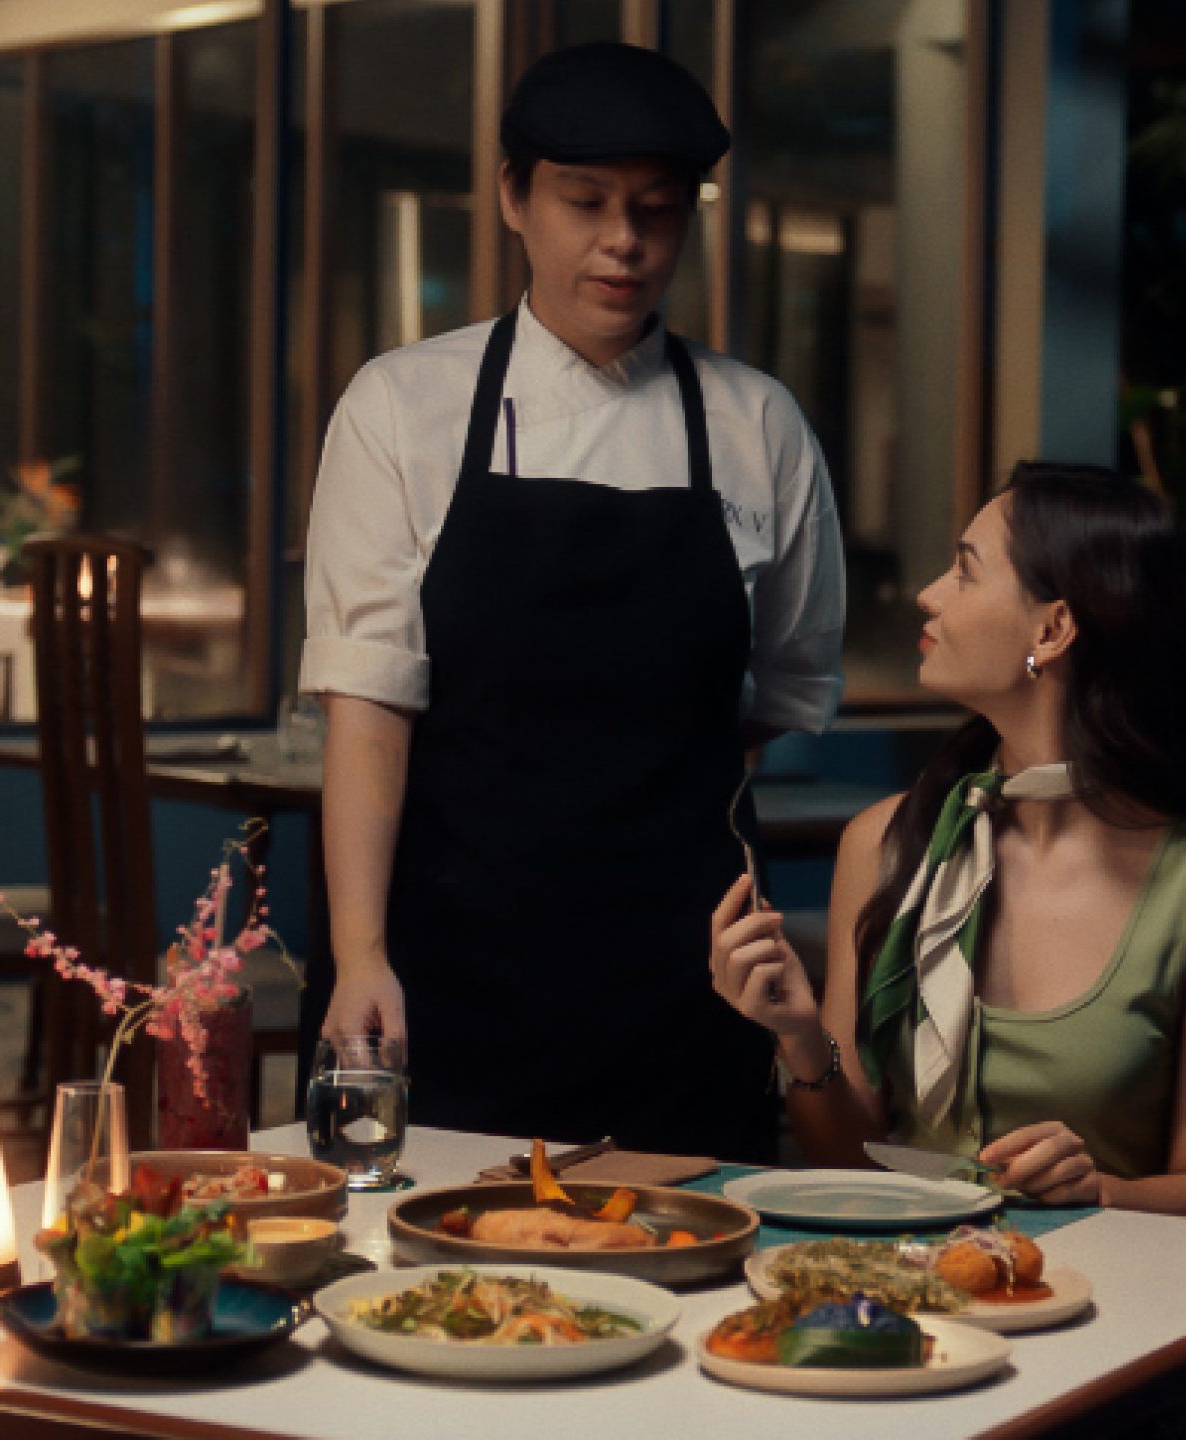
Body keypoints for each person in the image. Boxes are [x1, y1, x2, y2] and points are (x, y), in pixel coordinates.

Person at [299, 43, 846, 1162]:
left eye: (656, 210)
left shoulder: (758, 425)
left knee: (689, 1270)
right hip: (451, 958)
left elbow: (782, 687)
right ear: (512, 195)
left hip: (686, 974)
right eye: (584, 202)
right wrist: (362, 953)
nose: (624, 242)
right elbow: (367, 708)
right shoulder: (403, 406)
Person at [708, 464, 1186, 1216]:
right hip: (914, 1296)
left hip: (1112, 1300)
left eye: (965, 573)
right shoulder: (882, 844)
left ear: (1053, 630)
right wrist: (798, 1032)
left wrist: (1097, 1190)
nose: (928, 594)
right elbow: (847, 1160)